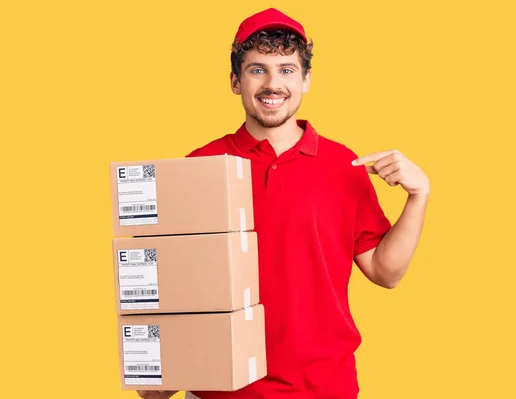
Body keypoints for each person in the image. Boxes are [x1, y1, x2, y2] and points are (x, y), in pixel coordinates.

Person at [137, 7, 430, 399]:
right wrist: (158, 373)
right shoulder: (200, 166)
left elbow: (384, 271)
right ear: (235, 81)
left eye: (287, 70)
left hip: (324, 390)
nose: (273, 84)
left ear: (306, 80)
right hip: (221, 392)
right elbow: (169, 278)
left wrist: (418, 196)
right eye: (258, 69)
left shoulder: (344, 165)